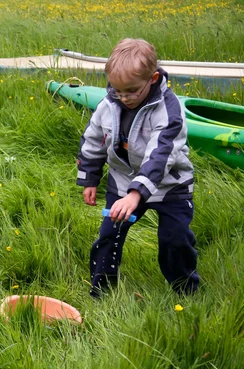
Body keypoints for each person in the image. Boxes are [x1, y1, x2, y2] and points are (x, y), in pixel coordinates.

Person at [76, 38, 199, 297]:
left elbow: (160, 156)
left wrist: (137, 193)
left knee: (175, 239)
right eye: (117, 90)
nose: (124, 98)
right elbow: (93, 140)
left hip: (169, 185)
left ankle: (185, 290)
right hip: (123, 182)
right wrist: (90, 178)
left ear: (152, 79)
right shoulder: (108, 104)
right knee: (109, 235)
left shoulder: (168, 110)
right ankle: (101, 292)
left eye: (131, 91)